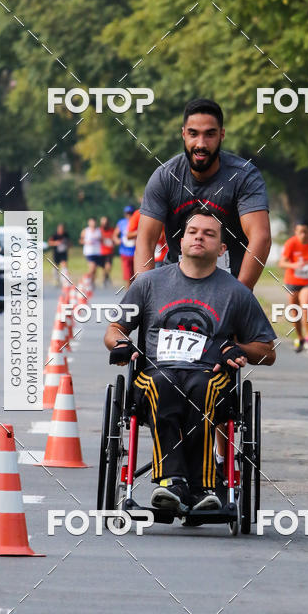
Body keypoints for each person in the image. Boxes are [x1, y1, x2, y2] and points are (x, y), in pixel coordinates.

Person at [104, 210, 276, 512]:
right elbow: (116, 327)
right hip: (156, 375)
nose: (199, 237)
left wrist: (240, 350)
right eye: (193, 231)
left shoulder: (236, 293)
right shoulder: (148, 283)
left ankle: (202, 486)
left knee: (203, 388)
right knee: (164, 384)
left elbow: (267, 351)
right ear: (180, 241)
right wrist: (119, 343)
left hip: (211, 375)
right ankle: (173, 482)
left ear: (222, 249)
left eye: (209, 234)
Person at [134, 98, 271, 289]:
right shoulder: (165, 177)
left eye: (210, 134)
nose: (201, 143)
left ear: (221, 135)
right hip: (174, 288)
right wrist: (145, 297)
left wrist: (240, 295)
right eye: (193, 134)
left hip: (229, 285)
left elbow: (260, 237)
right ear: (183, 134)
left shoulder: (244, 176)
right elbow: (145, 241)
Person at [279, 221, 308, 353]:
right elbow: (282, 263)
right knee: (295, 312)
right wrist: (294, 266)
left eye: (306, 232)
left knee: (306, 307)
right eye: (300, 232)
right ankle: (300, 338)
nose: (303, 235)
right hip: (292, 280)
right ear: (296, 232)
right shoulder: (291, 243)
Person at [114, 205, 136, 290]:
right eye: (127, 213)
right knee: (128, 276)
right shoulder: (121, 223)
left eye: (130, 213)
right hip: (125, 252)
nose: (129, 215)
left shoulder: (138, 221)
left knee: (135, 275)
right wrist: (117, 240)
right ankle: (128, 292)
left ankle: (134, 292)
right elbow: (115, 235)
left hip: (135, 253)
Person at [79, 217, 104, 285]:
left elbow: (102, 240)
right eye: (91, 222)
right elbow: (80, 240)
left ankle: (91, 283)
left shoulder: (99, 230)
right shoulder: (85, 230)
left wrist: (99, 239)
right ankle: (84, 280)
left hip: (97, 252)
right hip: (89, 252)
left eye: (94, 222)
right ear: (89, 223)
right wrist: (87, 242)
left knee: (95, 270)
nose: (93, 223)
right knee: (92, 268)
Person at [100, 216, 115, 285]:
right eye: (103, 222)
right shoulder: (99, 230)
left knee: (108, 266)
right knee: (104, 267)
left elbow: (114, 239)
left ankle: (105, 277)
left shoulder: (112, 230)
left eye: (106, 222)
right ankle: (105, 278)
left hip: (109, 251)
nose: (105, 224)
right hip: (101, 251)